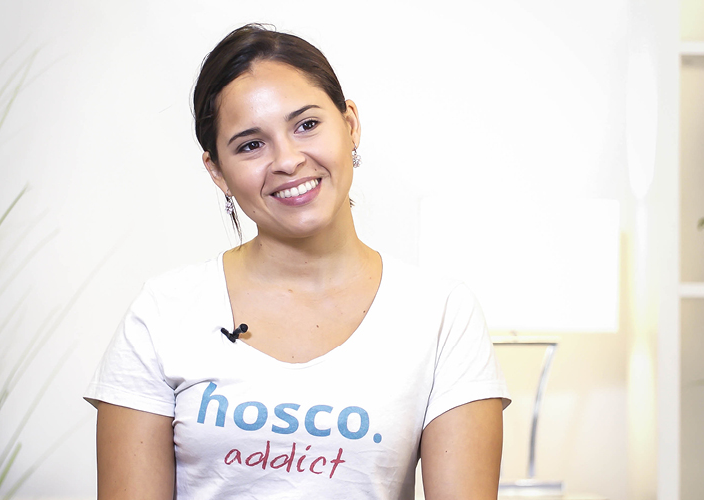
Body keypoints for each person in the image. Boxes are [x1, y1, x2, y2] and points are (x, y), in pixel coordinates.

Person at [84, 24, 510, 500]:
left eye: (306, 125)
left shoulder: (441, 313)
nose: (287, 160)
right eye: (251, 144)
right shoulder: (163, 312)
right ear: (217, 171)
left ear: (350, 125)